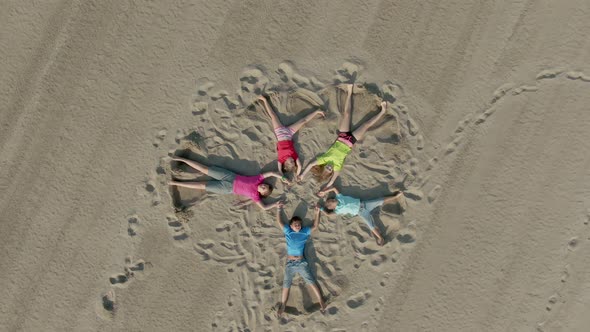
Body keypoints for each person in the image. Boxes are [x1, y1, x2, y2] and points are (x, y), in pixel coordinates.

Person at [298, 84, 389, 189]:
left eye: (327, 168)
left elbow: (310, 165)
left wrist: (302, 175)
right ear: (331, 171)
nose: (329, 167)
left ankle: (349, 91)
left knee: (346, 114)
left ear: (324, 167)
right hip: (351, 141)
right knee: (366, 125)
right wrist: (325, 188)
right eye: (330, 170)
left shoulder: (324, 159)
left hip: (342, 137)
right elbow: (332, 181)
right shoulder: (337, 167)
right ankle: (382, 111)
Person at [168, 156, 287, 210]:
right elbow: (271, 173)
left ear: (262, 193)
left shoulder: (255, 196)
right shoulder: (258, 179)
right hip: (230, 176)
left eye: (264, 189)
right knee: (204, 169)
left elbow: (265, 207)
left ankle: (176, 183)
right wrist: (281, 177)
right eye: (265, 185)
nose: (263, 186)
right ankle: (182, 159)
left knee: (202, 185)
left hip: (226, 188)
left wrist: (275, 204)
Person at [275, 202, 327, 316]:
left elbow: (315, 226)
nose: (297, 226)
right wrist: (279, 209)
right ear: (291, 225)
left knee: (311, 281)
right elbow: (280, 222)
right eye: (295, 224)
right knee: (286, 283)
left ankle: (321, 300)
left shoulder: (304, 232)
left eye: (299, 224)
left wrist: (317, 212)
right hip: (290, 263)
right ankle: (283, 304)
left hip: (301, 262)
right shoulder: (288, 231)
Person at [257, 95, 325, 177]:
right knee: (303, 121)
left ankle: (264, 100)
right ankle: (317, 112)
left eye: (291, 162)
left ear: (285, 164)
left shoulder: (281, 159)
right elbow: (299, 166)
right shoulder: (294, 156)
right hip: (289, 133)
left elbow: (280, 173)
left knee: (273, 115)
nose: (293, 161)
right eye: (294, 162)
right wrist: (298, 175)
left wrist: (283, 177)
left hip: (280, 133)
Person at [318, 186, 405, 246]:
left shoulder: (339, 197)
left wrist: (324, 191)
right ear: (331, 206)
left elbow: (333, 188)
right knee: (370, 225)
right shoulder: (337, 210)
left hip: (364, 204)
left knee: (379, 200)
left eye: (331, 199)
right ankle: (380, 238)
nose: (332, 199)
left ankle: (395, 196)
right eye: (330, 201)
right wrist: (321, 209)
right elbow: (329, 214)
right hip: (361, 212)